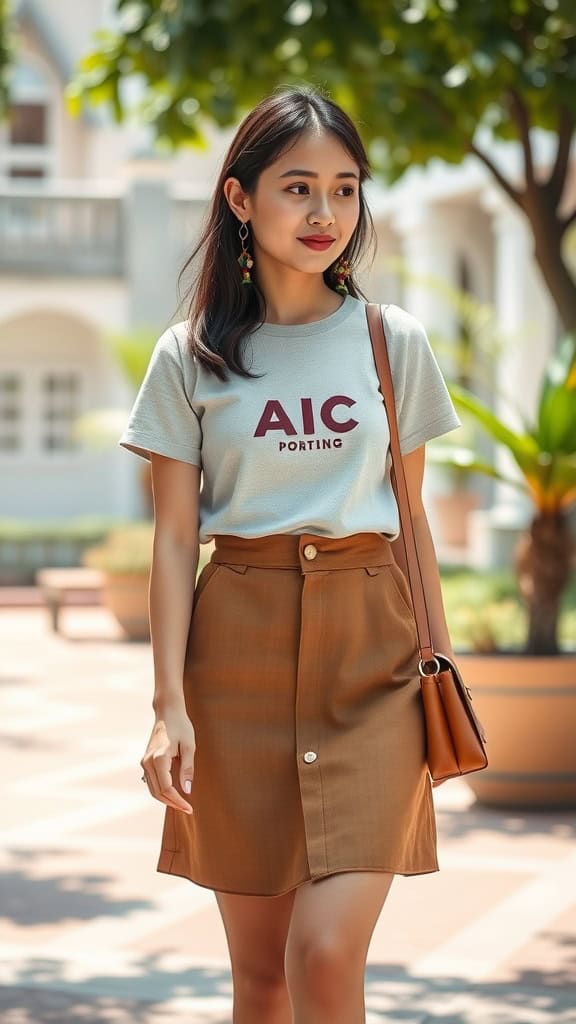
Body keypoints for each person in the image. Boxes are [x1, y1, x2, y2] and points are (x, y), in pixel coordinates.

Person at [118, 85, 462, 1024]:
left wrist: (440, 672)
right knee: (261, 978)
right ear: (240, 199)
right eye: (298, 188)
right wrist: (168, 709)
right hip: (237, 663)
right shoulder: (189, 356)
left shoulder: (395, 343)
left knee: (323, 954)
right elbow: (176, 537)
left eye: (345, 190)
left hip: (373, 667)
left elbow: (414, 521)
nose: (325, 215)